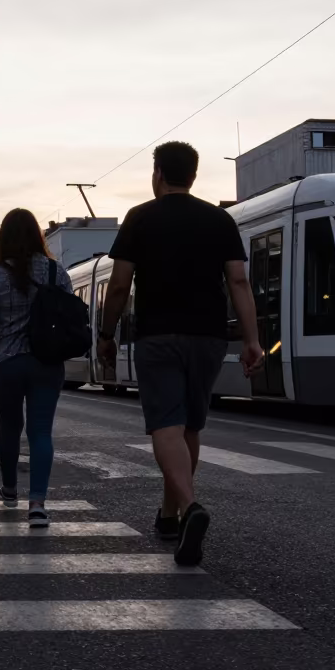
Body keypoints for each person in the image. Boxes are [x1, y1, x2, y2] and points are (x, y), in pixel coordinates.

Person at [98, 142, 263, 566]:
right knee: (189, 426)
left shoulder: (140, 218)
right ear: (192, 175)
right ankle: (169, 516)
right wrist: (251, 339)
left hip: (158, 336)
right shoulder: (219, 219)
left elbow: (118, 286)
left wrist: (106, 334)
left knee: (165, 427)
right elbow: (238, 283)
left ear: (158, 174)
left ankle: (190, 508)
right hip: (208, 336)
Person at [0, 209, 72, 525]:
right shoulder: (57, 272)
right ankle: (37, 503)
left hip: (6, 365)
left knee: (10, 428)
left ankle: (10, 488)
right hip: (47, 363)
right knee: (41, 432)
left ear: (3, 238)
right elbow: (69, 318)